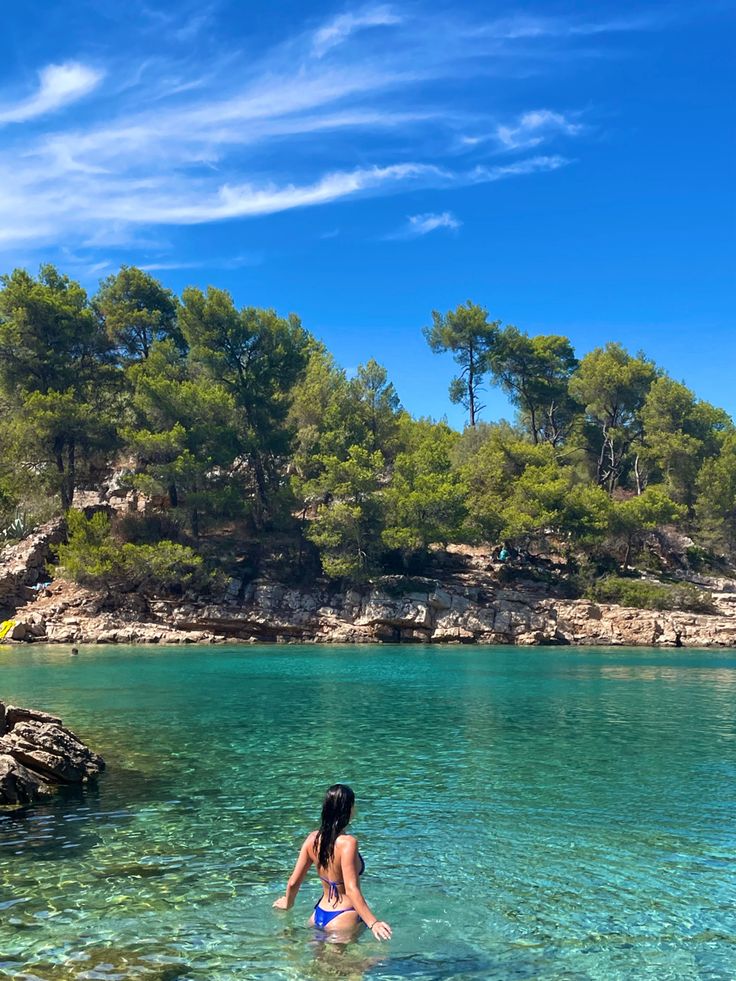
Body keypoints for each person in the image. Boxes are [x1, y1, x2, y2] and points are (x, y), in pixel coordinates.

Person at [273, 783, 392, 941]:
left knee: (318, 964)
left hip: (318, 914)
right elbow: (351, 889)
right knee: (359, 964)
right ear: (348, 810)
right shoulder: (348, 843)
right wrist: (373, 922)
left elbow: (294, 882)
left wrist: (288, 902)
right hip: (343, 915)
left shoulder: (312, 839)